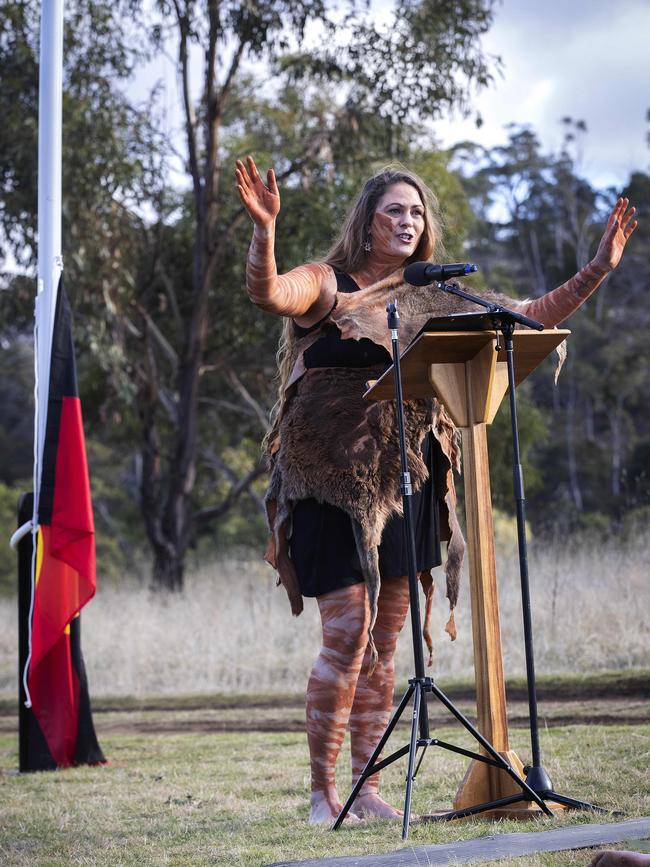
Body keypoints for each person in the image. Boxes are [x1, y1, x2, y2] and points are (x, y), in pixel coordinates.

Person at [235, 155, 637, 824]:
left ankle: (365, 787)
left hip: (408, 478)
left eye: (416, 212)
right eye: (394, 209)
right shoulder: (328, 282)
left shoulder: (435, 296)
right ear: (367, 223)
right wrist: (264, 231)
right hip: (329, 483)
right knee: (346, 634)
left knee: (387, 640)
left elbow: (531, 315)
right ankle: (322, 793)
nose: (407, 219)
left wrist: (596, 269)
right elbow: (271, 292)